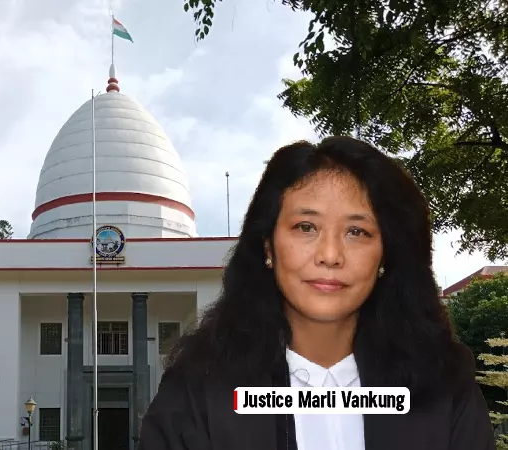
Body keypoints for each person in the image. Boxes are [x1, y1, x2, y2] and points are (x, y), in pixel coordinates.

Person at [138, 137, 495, 450]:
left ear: (386, 253)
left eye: (357, 232)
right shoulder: (195, 391)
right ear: (268, 246)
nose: (330, 255)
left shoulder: (445, 384)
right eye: (306, 227)